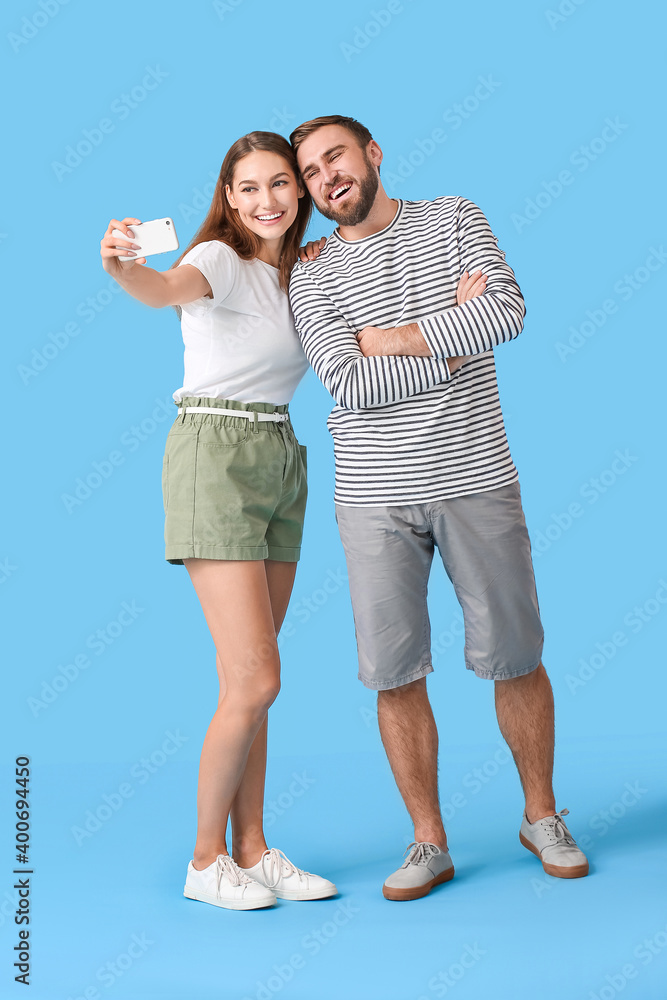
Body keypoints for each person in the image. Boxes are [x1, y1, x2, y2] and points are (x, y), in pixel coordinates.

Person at [288, 114, 589, 902]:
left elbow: (507, 312)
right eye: (311, 171)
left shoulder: (455, 216)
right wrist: (452, 341)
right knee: (393, 673)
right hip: (372, 498)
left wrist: (388, 338)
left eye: (336, 158)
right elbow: (345, 383)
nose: (326, 178)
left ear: (372, 154)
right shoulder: (311, 274)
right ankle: (428, 842)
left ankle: (541, 817)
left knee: (515, 654)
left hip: (476, 474)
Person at [100, 131, 336, 911]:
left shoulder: (297, 275)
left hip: (279, 454)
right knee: (255, 677)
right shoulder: (219, 259)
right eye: (248, 188)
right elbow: (165, 290)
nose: (266, 200)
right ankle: (206, 864)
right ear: (227, 198)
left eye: (280, 184)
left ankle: (253, 848)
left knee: (252, 681)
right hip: (215, 450)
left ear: (297, 193)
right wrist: (123, 267)